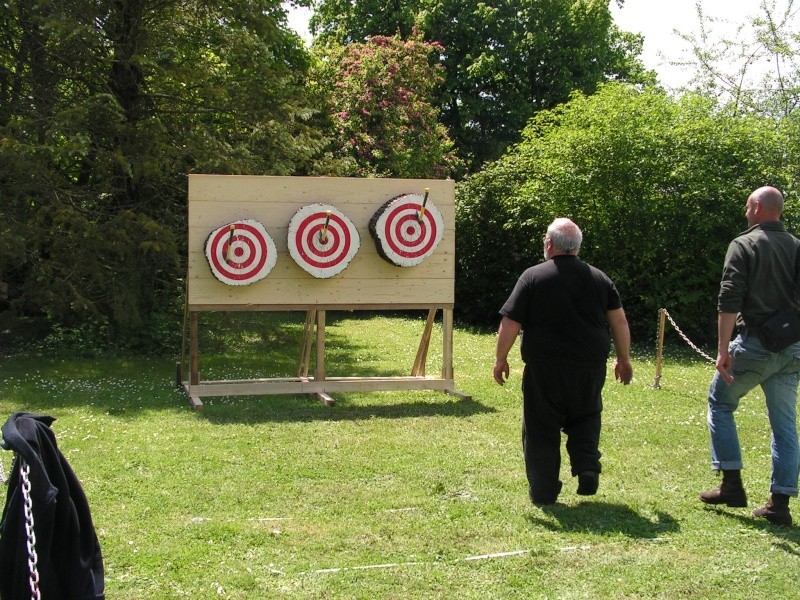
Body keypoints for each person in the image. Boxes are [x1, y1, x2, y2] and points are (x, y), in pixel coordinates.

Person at [493, 218, 633, 506]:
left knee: (541, 426)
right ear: (577, 247)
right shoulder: (600, 278)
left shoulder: (532, 277)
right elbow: (618, 320)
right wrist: (624, 358)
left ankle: (544, 492)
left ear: (549, 244)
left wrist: (501, 359)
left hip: (545, 367)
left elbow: (511, 322)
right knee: (586, 415)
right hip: (590, 366)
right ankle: (587, 468)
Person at [700, 185, 800, 526]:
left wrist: (722, 350)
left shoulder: (743, 244)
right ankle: (780, 504)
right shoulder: (797, 247)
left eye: (747, 206)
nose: (745, 212)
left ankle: (731, 484)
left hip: (755, 343)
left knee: (720, 402)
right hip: (792, 348)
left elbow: (729, 299)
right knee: (785, 427)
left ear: (757, 208)